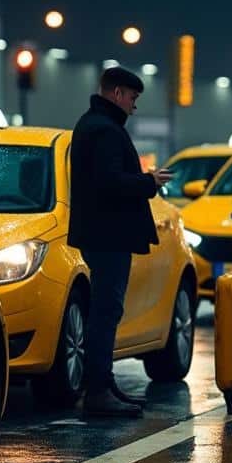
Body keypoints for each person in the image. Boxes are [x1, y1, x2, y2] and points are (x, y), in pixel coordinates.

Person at [68, 66, 173, 417]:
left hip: (101, 232)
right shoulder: (105, 130)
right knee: (106, 310)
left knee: (105, 309)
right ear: (117, 94)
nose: (133, 106)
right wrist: (149, 182)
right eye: (132, 97)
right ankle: (99, 389)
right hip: (108, 234)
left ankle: (104, 384)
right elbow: (110, 182)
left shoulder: (92, 125)